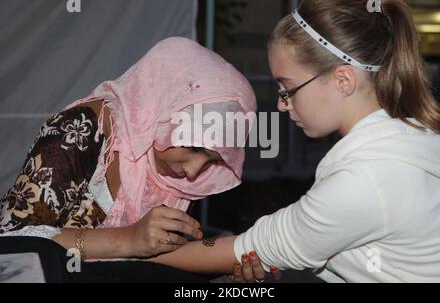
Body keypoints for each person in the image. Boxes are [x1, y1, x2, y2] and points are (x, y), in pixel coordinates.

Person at [145, 0, 440, 283]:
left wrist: (133, 250)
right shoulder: (415, 139)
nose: (280, 104)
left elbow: (249, 248)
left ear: (343, 80)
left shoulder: (366, 179)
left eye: (287, 88)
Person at [0, 37, 257, 282]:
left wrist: (222, 269)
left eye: (211, 161)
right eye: (193, 147)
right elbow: (12, 242)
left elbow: (153, 260)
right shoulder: (81, 130)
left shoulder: (178, 177)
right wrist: (125, 240)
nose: (192, 172)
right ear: (164, 104)